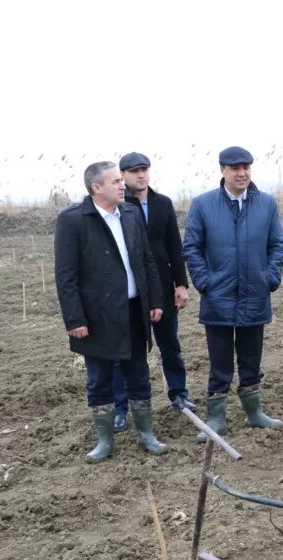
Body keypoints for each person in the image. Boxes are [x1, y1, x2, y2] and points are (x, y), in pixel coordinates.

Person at [54, 161, 167, 463]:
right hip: (97, 316)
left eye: (121, 180)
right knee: (99, 379)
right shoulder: (74, 221)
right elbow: (66, 276)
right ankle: (105, 441)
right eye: (116, 181)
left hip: (133, 310)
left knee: (139, 374)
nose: (123, 185)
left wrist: (155, 300)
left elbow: (147, 262)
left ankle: (146, 434)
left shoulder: (130, 213)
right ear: (96, 187)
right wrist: (75, 319)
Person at [183, 146, 283, 441]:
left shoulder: (266, 204)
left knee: (252, 358)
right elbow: (191, 246)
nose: (242, 173)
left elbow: (277, 244)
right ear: (222, 170)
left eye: (246, 167)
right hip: (218, 298)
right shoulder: (202, 204)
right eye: (235, 168)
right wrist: (205, 282)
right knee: (220, 361)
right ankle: (216, 419)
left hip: (256, 295)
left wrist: (268, 278)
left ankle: (255, 413)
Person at [109, 152, 194, 433]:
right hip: (131, 293)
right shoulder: (117, 207)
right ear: (123, 176)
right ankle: (120, 409)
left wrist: (181, 284)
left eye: (144, 169)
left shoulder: (162, 204)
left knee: (171, 347)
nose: (141, 175)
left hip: (162, 289)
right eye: (134, 171)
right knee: (126, 354)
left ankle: (179, 395)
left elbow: (174, 245)